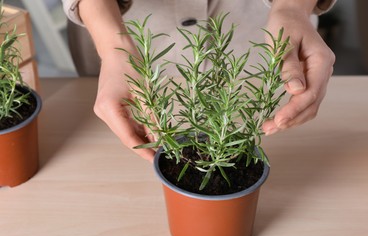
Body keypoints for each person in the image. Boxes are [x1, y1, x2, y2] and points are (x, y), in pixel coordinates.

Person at [62, 0, 336, 162]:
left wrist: (291, 8)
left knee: (250, 127)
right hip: (127, 27)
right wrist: (112, 46)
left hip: (254, 29)